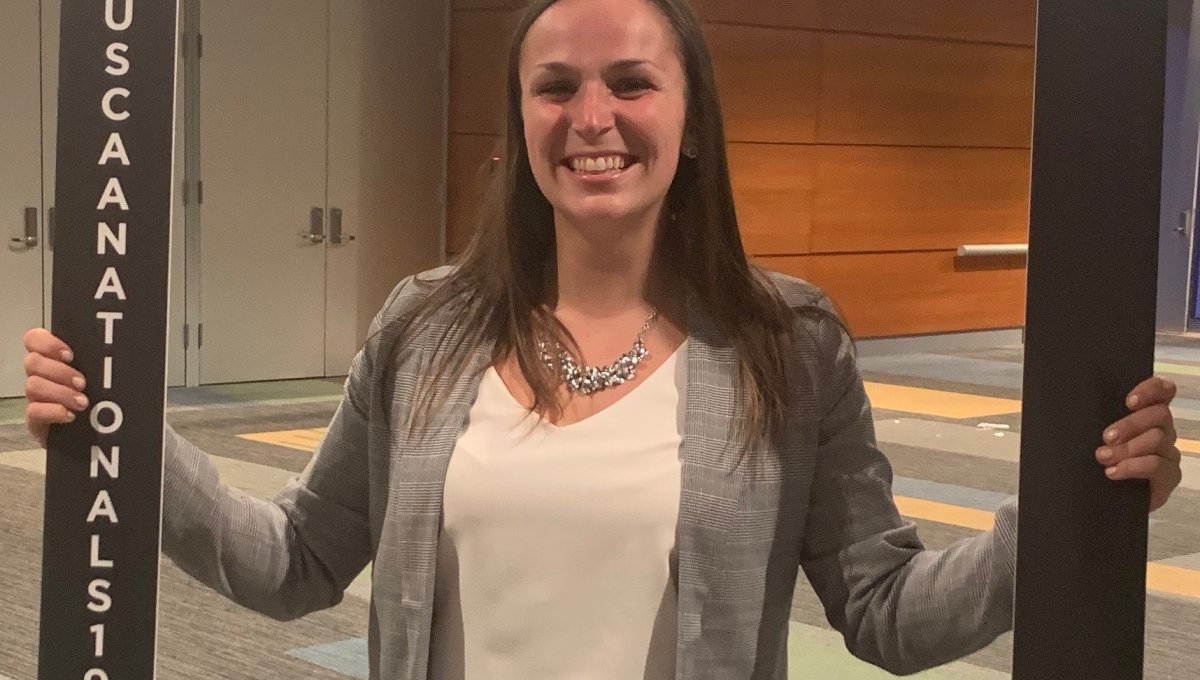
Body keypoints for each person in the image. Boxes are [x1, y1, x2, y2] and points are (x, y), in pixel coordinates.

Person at [21, 0, 1185, 678]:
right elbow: (293, 561)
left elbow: (886, 609)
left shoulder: (788, 343)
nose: (592, 118)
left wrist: (1070, 504)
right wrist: (114, 426)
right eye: (556, 86)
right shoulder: (424, 325)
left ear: (692, 122)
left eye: (631, 82)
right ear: (519, 117)